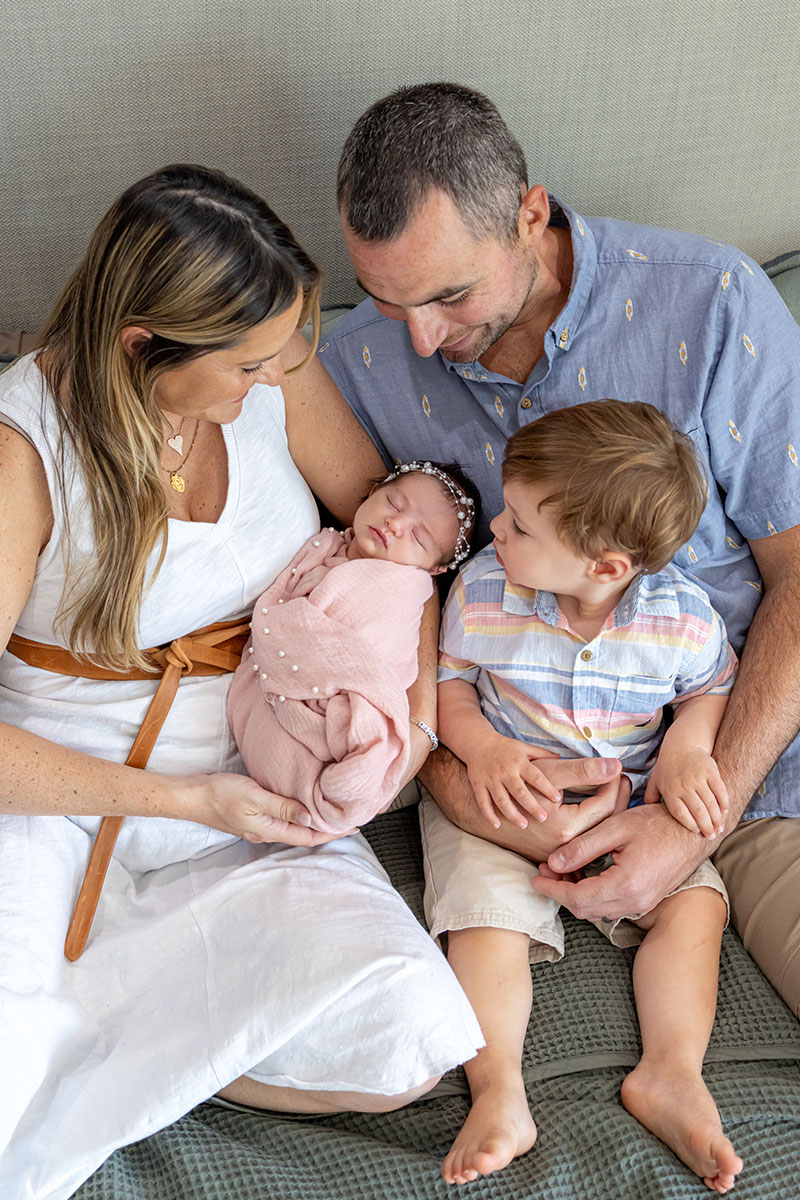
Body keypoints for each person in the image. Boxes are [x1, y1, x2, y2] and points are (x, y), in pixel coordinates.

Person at [0, 165, 483, 1200]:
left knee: (409, 1038)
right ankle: (101, 1041)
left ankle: (148, 1053)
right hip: (63, 792)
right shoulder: (21, 449)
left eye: (286, 352)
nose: (277, 379)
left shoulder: (273, 366)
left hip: (260, 762)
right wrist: (180, 799)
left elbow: (394, 542)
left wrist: (417, 708)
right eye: (250, 364)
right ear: (142, 346)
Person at [282, 81, 800, 1018]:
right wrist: (460, 777)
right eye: (392, 301)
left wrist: (695, 817)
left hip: (739, 754)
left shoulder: (715, 303)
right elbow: (387, 588)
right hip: (518, 771)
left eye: (449, 295)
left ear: (530, 216)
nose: (426, 340)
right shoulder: (360, 360)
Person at [425, 400, 741, 1191]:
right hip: (501, 807)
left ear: (605, 566)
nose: (496, 528)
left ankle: (669, 1071)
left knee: (695, 904)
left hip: (627, 807)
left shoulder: (681, 622)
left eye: (523, 525)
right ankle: (499, 1091)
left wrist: (686, 747)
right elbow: (449, 682)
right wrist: (484, 747)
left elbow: (711, 687)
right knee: (483, 916)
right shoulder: (483, 591)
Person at [228, 460, 476, 833]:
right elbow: (280, 605)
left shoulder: (404, 589)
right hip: (277, 687)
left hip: (351, 691)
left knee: (363, 730)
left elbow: (375, 661)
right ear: (374, 491)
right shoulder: (324, 545)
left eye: (419, 537)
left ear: (434, 570)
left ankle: (353, 774)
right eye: (394, 503)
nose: (396, 523)